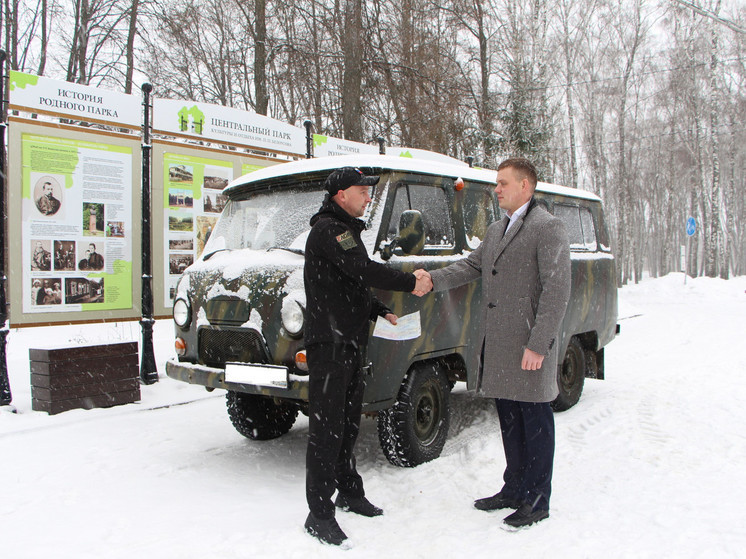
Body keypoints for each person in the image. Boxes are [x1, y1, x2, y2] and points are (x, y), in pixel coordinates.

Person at [425, 157, 571, 528]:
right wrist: (430, 279)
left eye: (503, 183)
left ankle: (537, 499)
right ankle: (514, 487)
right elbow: (471, 266)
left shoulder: (547, 227)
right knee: (510, 420)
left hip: (528, 346)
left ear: (526, 186)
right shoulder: (495, 230)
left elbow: (557, 291)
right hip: (501, 346)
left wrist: (539, 344)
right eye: (497, 182)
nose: (497, 189)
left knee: (535, 422)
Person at [303, 166, 431, 546]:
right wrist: (411, 282)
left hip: (350, 342)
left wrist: (378, 309)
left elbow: (350, 281)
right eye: (362, 190)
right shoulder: (331, 230)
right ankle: (319, 513)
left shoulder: (346, 229)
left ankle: (349, 491)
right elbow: (362, 269)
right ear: (341, 194)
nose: (368, 196)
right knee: (327, 431)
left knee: (347, 424)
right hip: (331, 346)